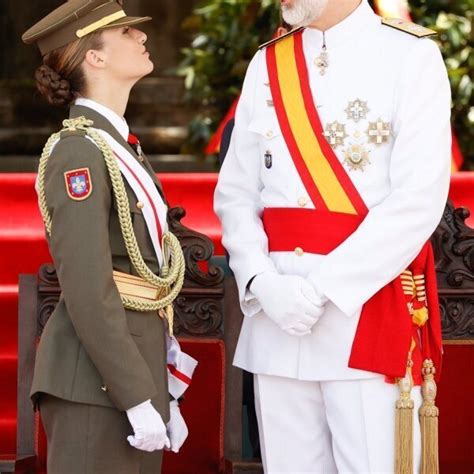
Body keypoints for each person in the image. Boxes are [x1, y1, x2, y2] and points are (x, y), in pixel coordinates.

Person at [214, 0, 451, 472]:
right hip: (277, 320)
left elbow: (418, 200)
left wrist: (322, 289)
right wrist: (261, 281)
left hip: (363, 313)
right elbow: (236, 193)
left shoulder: (410, 55)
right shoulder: (269, 61)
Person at [21, 1, 196, 473]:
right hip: (97, 385)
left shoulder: (118, 145)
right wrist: (136, 396)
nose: (141, 38)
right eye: (124, 33)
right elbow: (88, 289)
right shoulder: (77, 151)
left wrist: (155, 392)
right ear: (94, 58)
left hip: (130, 371)